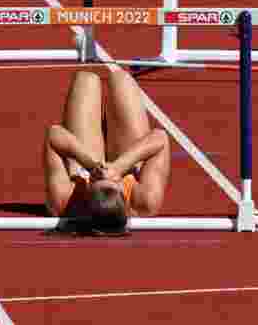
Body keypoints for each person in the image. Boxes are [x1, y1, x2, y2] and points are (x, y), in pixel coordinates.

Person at [44, 69, 170, 235]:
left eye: (96, 181)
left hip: (85, 163)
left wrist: (90, 166)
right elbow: (160, 138)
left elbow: (54, 134)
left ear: (87, 196)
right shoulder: (145, 201)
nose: (105, 173)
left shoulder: (64, 201)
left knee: (86, 80)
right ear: (124, 199)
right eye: (115, 182)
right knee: (120, 79)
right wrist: (119, 167)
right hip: (127, 160)